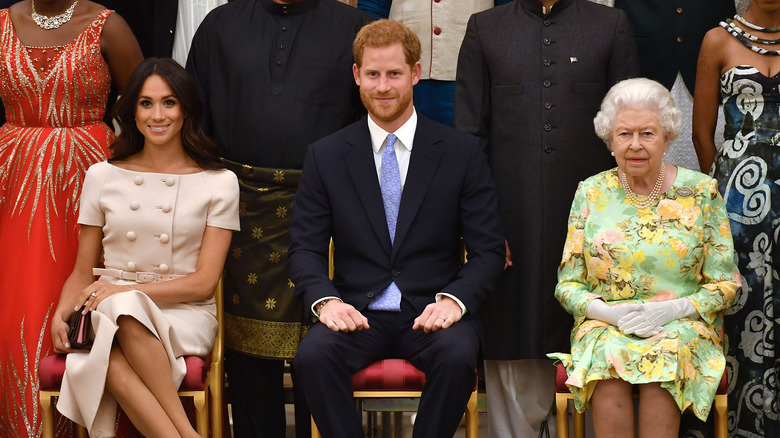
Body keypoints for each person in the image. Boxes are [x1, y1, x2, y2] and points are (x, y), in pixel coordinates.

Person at [288, 19, 505, 438]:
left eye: (394, 74)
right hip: (356, 313)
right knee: (312, 356)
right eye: (372, 74)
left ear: (416, 74)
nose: (383, 86)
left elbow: (488, 251)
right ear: (356, 76)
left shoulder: (461, 153)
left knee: (460, 356)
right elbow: (304, 250)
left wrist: (454, 302)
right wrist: (326, 302)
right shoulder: (326, 155)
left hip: (430, 314)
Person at [453, 0, 639, 436]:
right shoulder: (486, 28)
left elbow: (630, 128)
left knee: (595, 335)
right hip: (508, 219)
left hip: (596, 225)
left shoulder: (608, 24)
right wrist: (485, 230)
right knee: (511, 332)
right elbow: (469, 137)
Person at [186, 1, 372, 436]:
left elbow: (377, 119)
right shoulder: (221, 25)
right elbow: (196, 121)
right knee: (248, 363)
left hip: (331, 211)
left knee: (327, 345)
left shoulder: (357, 28)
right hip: (241, 209)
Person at [50, 58, 239, 437]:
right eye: (146, 103)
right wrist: (61, 313)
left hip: (183, 313)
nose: (158, 115)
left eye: (169, 102)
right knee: (110, 353)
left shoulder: (220, 181)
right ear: (132, 110)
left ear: (186, 109)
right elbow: (83, 271)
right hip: (108, 308)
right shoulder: (102, 175)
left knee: (121, 311)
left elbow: (203, 284)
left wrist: (123, 291)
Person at [548, 77, 740, 437]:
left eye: (647, 133)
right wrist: (608, 313)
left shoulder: (701, 192)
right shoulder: (591, 192)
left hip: (682, 326)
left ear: (667, 137)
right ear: (609, 139)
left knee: (664, 356)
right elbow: (568, 285)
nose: (635, 145)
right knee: (607, 357)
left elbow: (726, 284)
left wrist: (671, 310)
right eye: (624, 134)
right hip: (607, 325)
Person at [0, 1, 142, 435]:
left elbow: (141, 105)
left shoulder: (109, 26)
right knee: (15, 311)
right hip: (13, 181)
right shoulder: (2, 22)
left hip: (89, 182)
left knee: (85, 303)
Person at [692, 1, 780, 435]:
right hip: (736, 203)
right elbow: (701, 133)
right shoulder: (717, 39)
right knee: (738, 300)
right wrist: (722, 194)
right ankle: (735, 425)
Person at [356, 0, 511, 126]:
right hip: (399, 77)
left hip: (477, 76)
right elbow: (373, 8)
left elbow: (508, 11)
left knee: (465, 152)